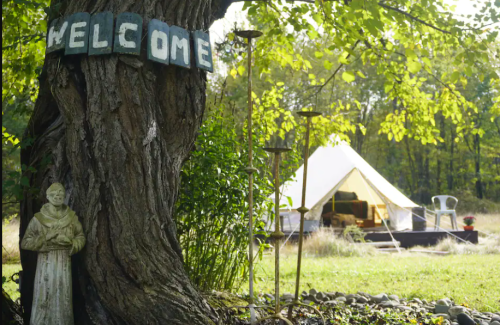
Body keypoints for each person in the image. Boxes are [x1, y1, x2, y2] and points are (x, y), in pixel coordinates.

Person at [21, 183, 85, 325]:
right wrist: (46, 237)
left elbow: (80, 237)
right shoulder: (38, 219)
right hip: (45, 261)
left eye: (61, 193)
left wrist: (71, 242)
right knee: (45, 295)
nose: (58, 196)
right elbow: (25, 242)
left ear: (65, 196)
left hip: (64, 261)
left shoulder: (71, 218)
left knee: (63, 295)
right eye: (54, 193)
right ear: (48, 196)